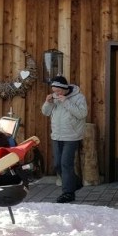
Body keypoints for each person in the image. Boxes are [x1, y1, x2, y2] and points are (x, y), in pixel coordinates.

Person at [41, 75, 87, 203]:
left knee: (66, 163)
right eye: (54, 91)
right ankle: (75, 182)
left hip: (72, 136)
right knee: (57, 164)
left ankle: (68, 193)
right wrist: (48, 102)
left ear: (65, 88)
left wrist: (66, 102)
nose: (56, 93)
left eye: (58, 91)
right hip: (57, 135)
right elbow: (45, 112)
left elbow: (82, 114)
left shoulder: (79, 97)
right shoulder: (55, 97)